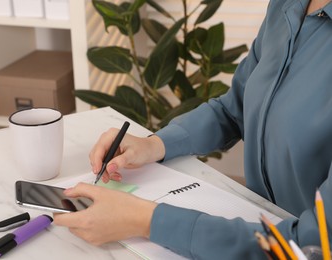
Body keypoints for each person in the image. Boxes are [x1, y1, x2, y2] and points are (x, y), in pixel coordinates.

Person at [53, 0, 332, 258]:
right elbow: (235, 108)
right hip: (252, 220)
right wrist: (154, 144)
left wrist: (146, 220)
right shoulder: (287, 6)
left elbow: (314, 242)